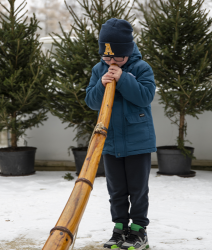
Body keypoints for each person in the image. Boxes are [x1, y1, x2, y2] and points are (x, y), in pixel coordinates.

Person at [85, 18, 156, 250]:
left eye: (118, 57)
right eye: (107, 57)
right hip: (110, 142)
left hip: (138, 142)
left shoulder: (141, 68)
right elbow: (92, 102)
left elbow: (145, 97)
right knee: (116, 190)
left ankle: (138, 231)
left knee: (137, 189)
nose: (112, 62)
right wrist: (101, 85)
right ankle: (119, 228)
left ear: (128, 51)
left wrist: (123, 78)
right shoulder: (98, 70)